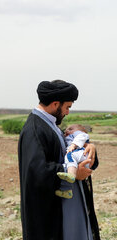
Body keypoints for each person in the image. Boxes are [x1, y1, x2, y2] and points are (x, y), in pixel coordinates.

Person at [18, 80, 100, 240]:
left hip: (69, 209)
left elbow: (73, 149)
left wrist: (90, 148)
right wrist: (74, 174)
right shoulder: (35, 129)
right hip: (52, 215)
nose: (68, 112)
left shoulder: (51, 125)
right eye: (67, 107)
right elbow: (36, 172)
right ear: (55, 104)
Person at [56, 124, 90, 199]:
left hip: (79, 152)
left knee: (69, 158)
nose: (67, 131)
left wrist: (73, 145)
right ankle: (67, 190)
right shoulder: (68, 137)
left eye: (71, 129)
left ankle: (72, 176)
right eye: (66, 130)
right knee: (65, 167)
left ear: (82, 130)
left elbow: (82, 136)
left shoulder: (79, 134)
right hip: (78, 155)